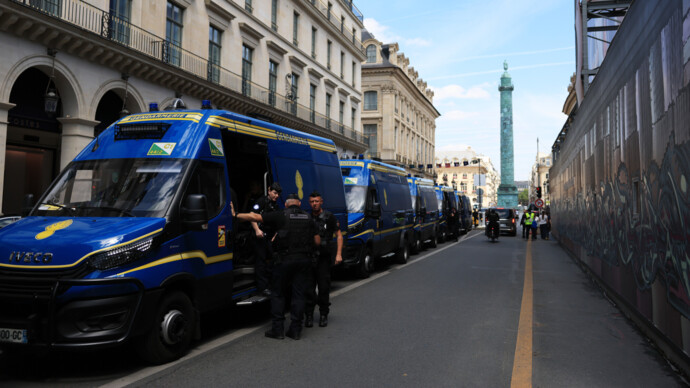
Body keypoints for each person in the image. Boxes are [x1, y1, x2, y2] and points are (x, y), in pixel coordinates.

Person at [233, 194, 319, 340]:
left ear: (286, 205)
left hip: (283, 261)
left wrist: (235, 215)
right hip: (304, 260)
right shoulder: (308, 218)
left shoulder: (280, 215)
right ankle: (296, 329)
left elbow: (256, 218)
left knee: (278, 293)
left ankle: (278, 330)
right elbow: (317, 241)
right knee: (299, 294)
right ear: (299, 203)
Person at [305, 191, 343, 328]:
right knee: (308, 289)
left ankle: (323, 315)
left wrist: (339, 254)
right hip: (309, 258)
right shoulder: (306, 217)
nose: (314, 204)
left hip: (324, 258)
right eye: (312, 202)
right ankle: (308, 315)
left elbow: (339, 235)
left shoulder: (329, 217)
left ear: (321, 202)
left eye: (317, 201)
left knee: (323, 288)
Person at [251, 182, 282, 296]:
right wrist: (257, 230)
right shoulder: (261, 201)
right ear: (269, 190)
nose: (276, 196)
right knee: (261, 261)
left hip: (270, 236)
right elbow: (252, 216)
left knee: (273, 260)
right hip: (260, 236)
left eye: (278, 194)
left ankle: (270, 284)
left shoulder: (276, 205)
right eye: (274, 193)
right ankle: (262, 287)